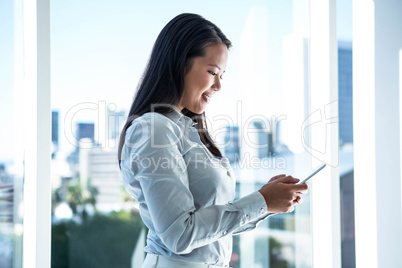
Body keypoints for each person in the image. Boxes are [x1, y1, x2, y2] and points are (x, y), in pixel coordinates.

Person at [118, 13, 308, 268]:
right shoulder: (154, 129)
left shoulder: (188, 130)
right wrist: (261, 201)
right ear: (179, 64)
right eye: (212, 72)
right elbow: (180, 234)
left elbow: (208, 231)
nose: (218, 85)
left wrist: (266, 203)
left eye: (222, 75)